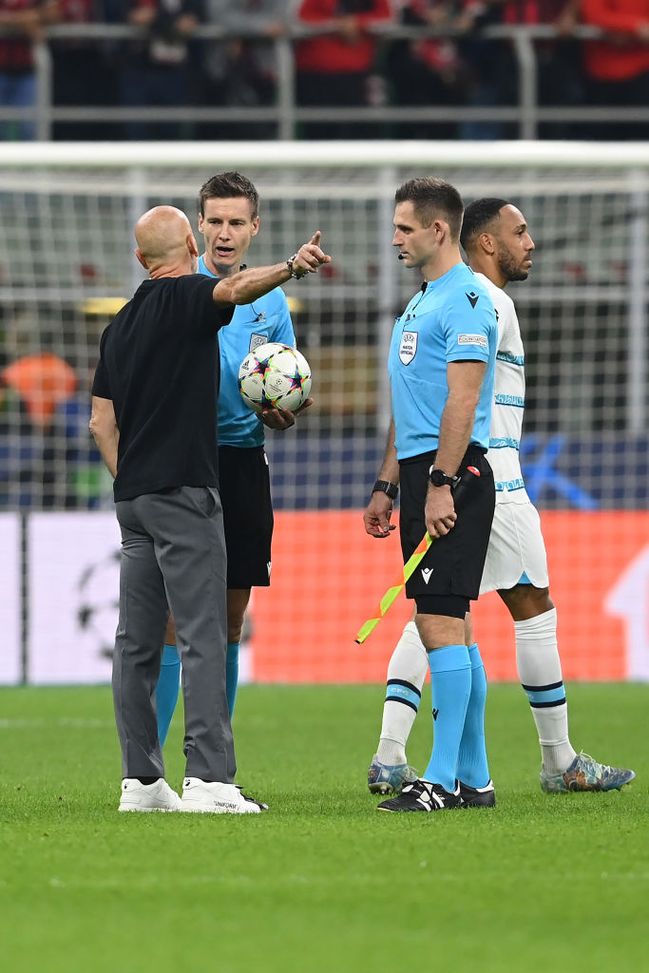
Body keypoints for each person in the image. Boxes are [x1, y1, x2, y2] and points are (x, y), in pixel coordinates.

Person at [367, 197, 635, 799]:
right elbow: (456, 401)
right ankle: (557, 760)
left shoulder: (433, 301)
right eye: (520, 232)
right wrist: (433, 480)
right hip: (492, 480)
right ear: (485, 242)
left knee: (438, 608)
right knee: (528, 609)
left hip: (445, 474)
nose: (531, 242)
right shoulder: (485, 302)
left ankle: (394, 752)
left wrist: (392, 482)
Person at [89, 204, 330, 813]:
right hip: (186, 491)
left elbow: (100, 422)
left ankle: (141, 783)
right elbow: (234, 286)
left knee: (137, 643)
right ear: (193, 244)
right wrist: (293, 268)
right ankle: (211, 781)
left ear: (141, 260)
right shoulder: (190, 295)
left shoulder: (117, 326)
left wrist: (134, 481)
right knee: (203, 634)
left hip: (134, 500)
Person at [154, 171, 311, 745]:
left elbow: (286, 376)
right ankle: (150, 765)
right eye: (214, 221)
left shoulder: (270, 301)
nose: (224, 233)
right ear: (198, 227)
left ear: (254, 228)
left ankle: (213, 757)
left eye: (236, 222)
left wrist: (283, 409)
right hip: (185, 462)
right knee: (175, 618)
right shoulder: (176, 287)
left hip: (244, 459)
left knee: (230, 618)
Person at [364, 177, 498, 813]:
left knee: (440, 620)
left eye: (404, 228)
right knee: (453, 626)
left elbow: (463, 400)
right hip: (421, 474)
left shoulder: (467, 298)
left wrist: (441, 483)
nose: (395, 238)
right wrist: (391, 483)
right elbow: (409, 404)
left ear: (438, 230)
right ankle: (474, 776)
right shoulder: (420, 302)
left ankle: (440, 780)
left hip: (456, 473)